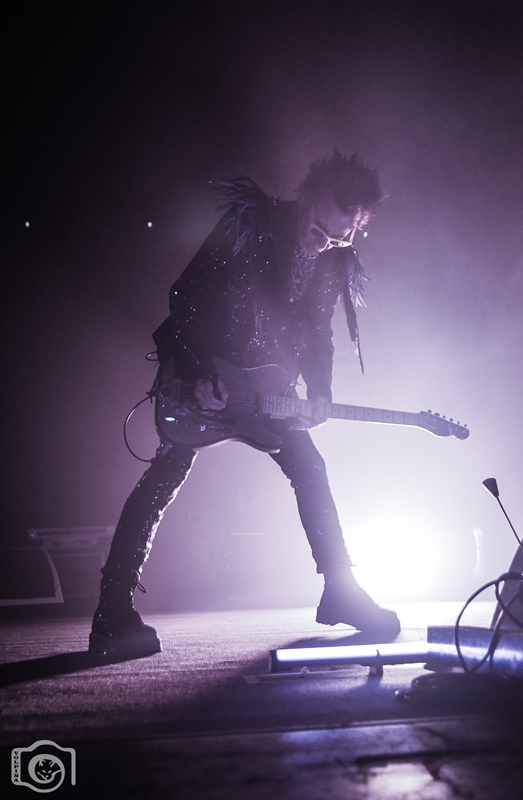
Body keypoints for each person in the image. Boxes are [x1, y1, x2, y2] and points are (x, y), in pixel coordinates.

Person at [89, 151, 401, 658]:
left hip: (267, 388)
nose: (322, 244)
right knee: (166, 474)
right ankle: (112, 610)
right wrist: (200, 373)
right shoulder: (250, 222)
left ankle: (340, 589)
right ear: (306, 198)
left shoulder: (334, 260)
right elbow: (185, 295)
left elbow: (318, 332)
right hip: (201, 374)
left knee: (310, 466)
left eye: (339, 238)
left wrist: (319, 392)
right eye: (318, 231)